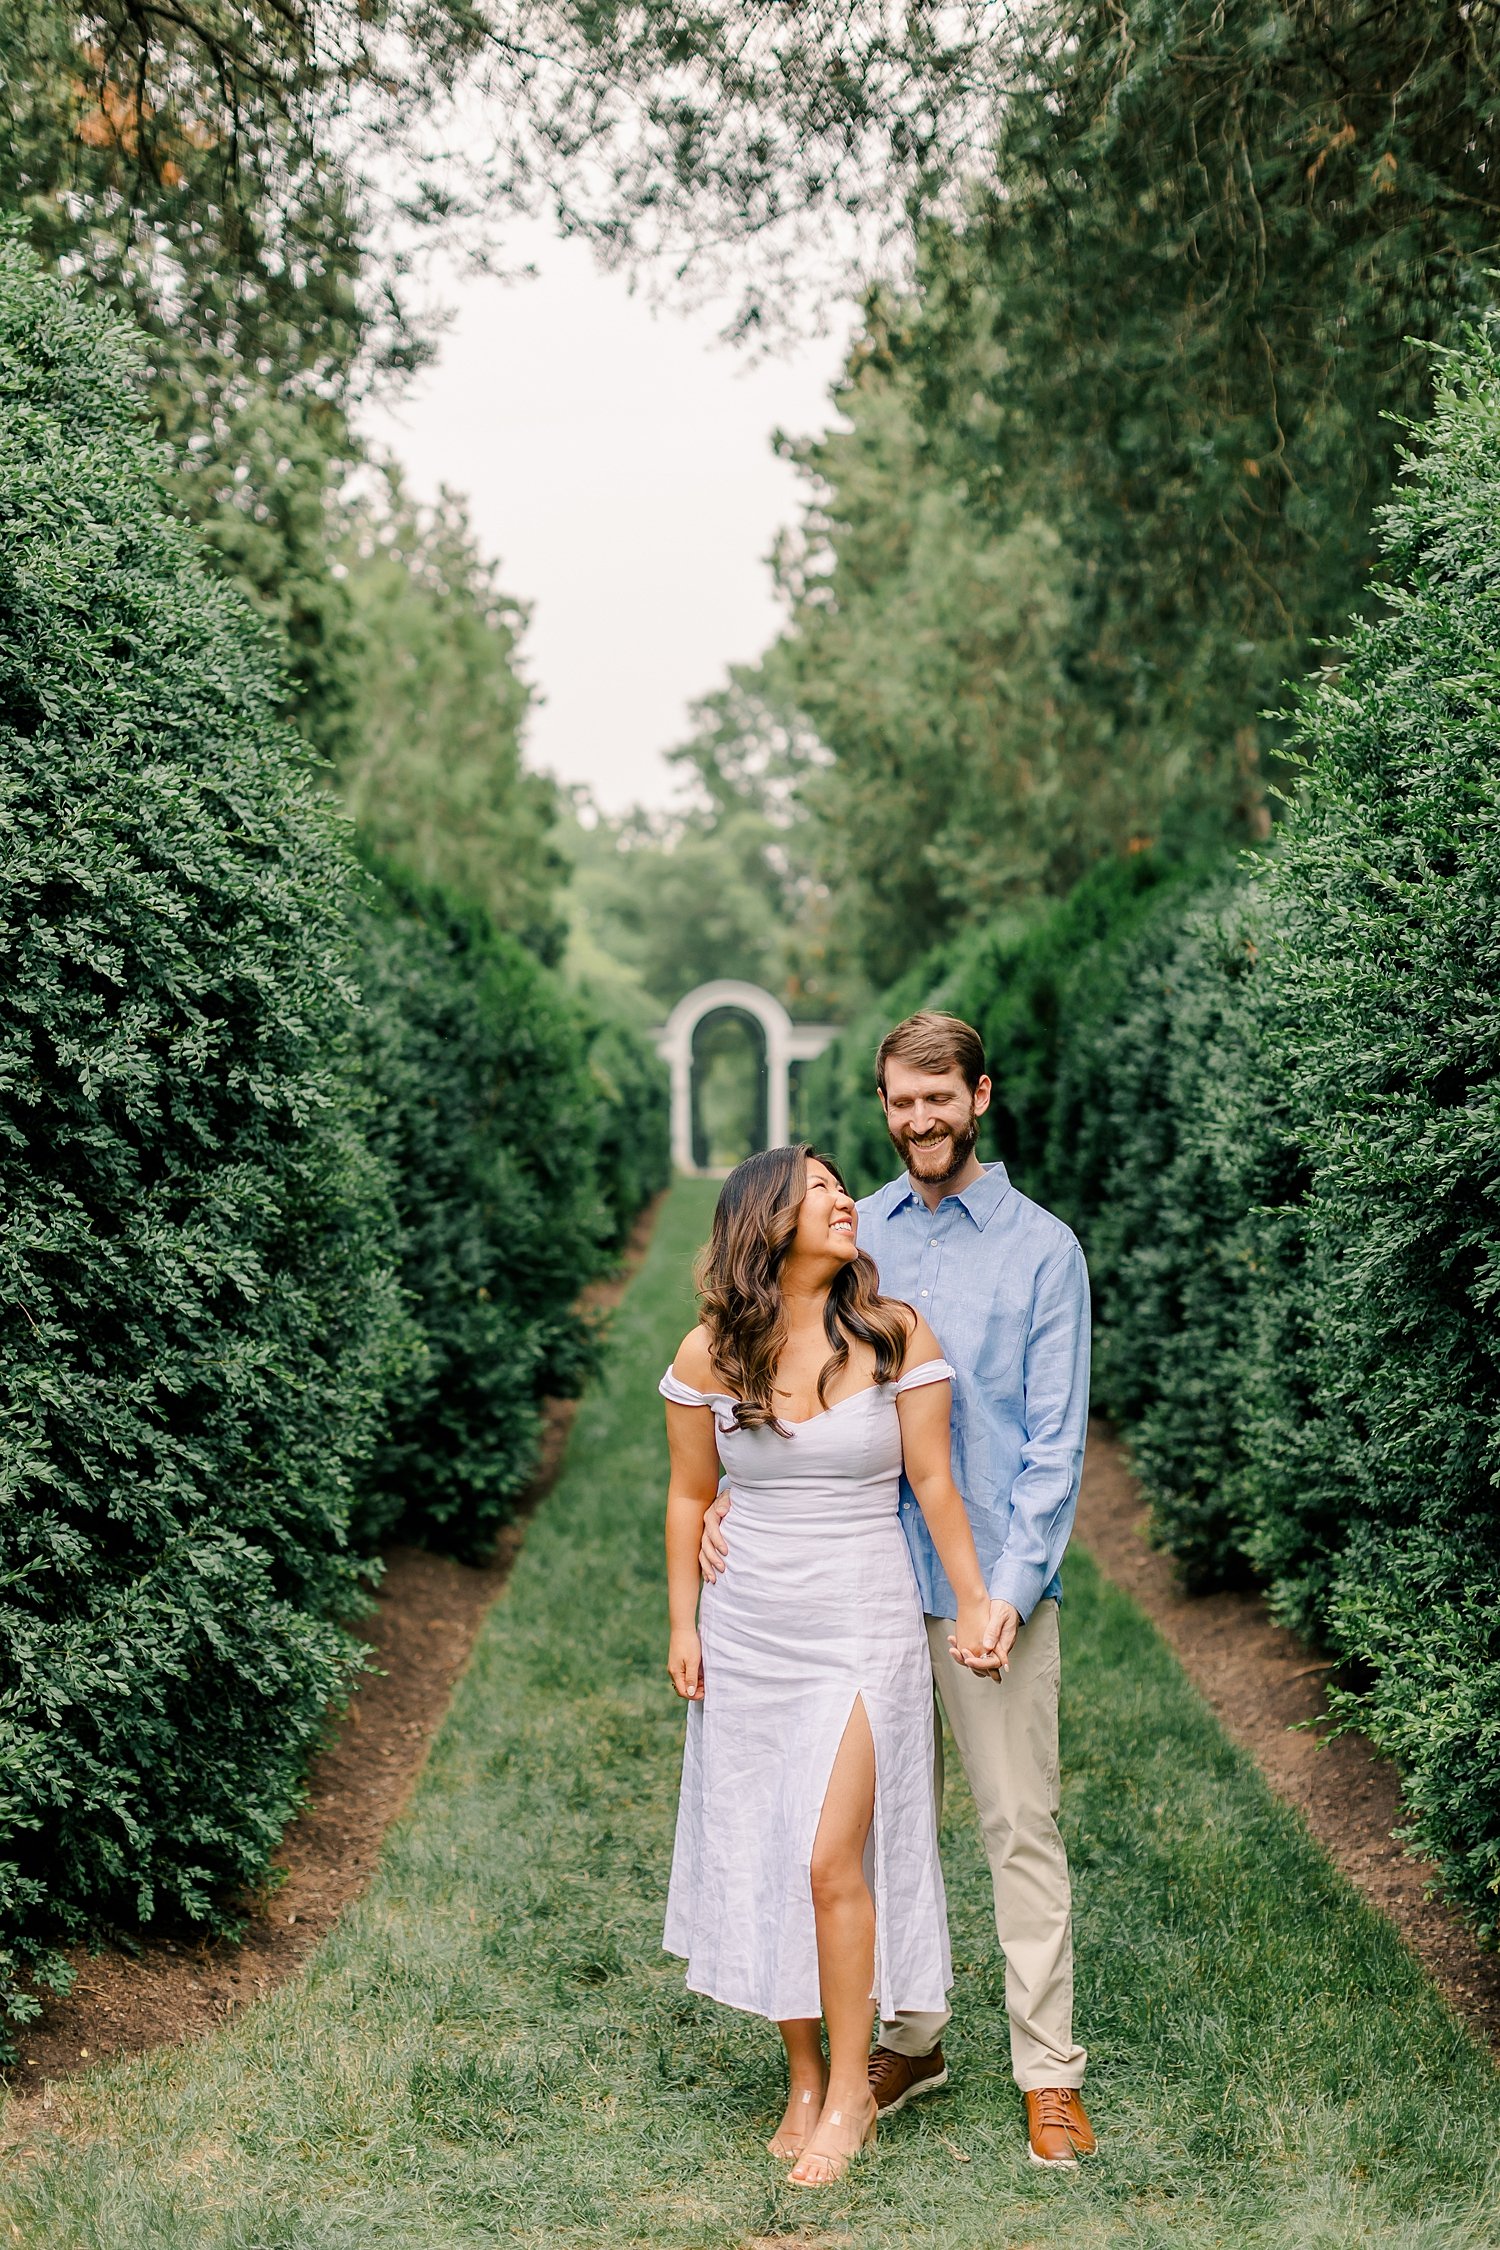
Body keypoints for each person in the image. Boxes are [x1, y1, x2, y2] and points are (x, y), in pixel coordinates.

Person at [701, 1011, 1096, 2171]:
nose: (918, 1120)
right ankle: (910, 2039)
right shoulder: (846, 1226)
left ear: (982, 1097)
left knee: (1018, 1822)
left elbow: (1052, 1451)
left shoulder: (1042, 1251)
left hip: (983, 1592)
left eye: (940, 1099)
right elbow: (766, 1377)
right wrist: (738, 1492)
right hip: (851, 1593)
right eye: (899, 1101)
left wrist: (1006, 1597)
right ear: (885, 1106)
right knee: (861, 1834)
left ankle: (1049, 2073)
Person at [662, 1144, 1000, 2187]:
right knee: (772, 1849)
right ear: (765, 1222)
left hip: (861, 1617)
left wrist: (977, 1597)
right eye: (818, 1190)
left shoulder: (892, 1334)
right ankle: (803, 2076)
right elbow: (687, 1496)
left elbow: (935, 1483)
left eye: (841, 1185)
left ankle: (856, 2087)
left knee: (827, 1857)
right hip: (750, 1622)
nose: (844, 1199)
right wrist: (685, 1623)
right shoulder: (715, 1352)